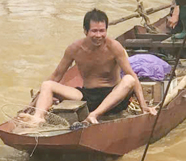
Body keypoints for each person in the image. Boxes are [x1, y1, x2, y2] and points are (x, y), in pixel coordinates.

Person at [23, 9, 156, 125]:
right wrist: (33, 103)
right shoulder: (74, 49)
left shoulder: (114, 47)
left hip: (114, 97)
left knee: (129, 79)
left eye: (102, 31)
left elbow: (132, 75)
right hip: (87, 97)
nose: (98, 35)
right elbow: (56, 75)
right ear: (85, 31)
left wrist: (143, 106)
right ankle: (37, 118)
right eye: (94, 31)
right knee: (47, 84)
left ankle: (94, 115)